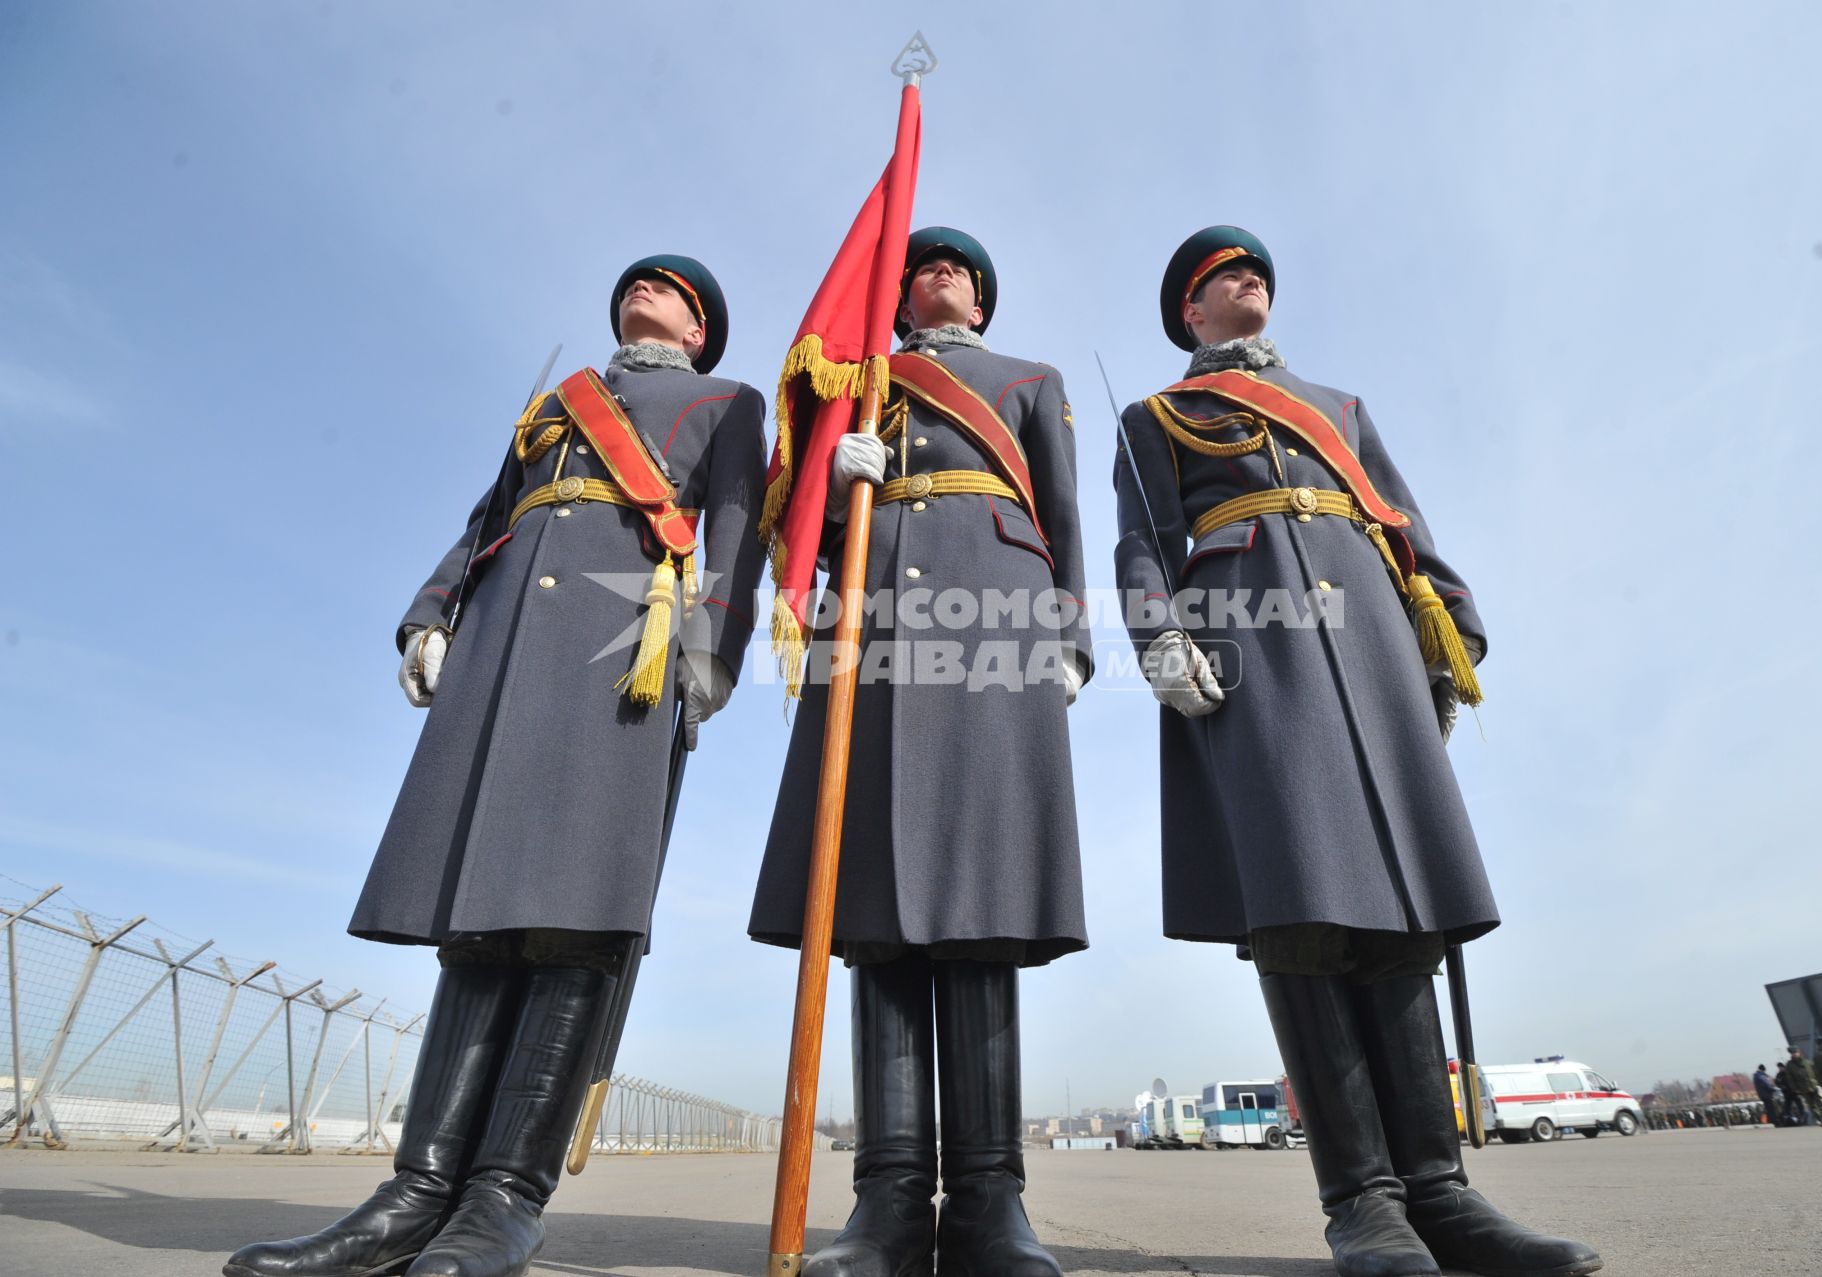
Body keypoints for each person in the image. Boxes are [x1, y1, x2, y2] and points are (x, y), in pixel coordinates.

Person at [224, 255, 768, 1277]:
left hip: (622, 650)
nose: (645, 287)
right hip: (505, 648)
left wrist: (714, 648)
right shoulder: (560, 402)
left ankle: (505, 1197)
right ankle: (417, 1189)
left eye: (673, 288)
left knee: (574, 915)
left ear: (699, 329)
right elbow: (487, 515)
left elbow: (736, 527)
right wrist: (432, 611)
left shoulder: (728, 403)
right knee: (480, 919)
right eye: (638, 280)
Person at [1113, 226, 1600, 1277]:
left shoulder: (1341, 409)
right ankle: (1363, 1203)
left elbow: (1401, 518)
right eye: (1222, 276)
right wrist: (1158, 635)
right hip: (1251, 628)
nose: (1250, 278)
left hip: (1370, 632)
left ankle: (1442, 1193)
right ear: (1190, 314)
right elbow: (1142, 542)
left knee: (1402, 905)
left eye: (1257, 272)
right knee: (1298, 904)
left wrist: (1449, 624)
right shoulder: (1156, 415)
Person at [752, 227, 1091, 1277]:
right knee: (870, 898)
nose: (940, 276)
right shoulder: (859, 382)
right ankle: (889, 1198)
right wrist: (830, 458)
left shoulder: (1032, 380)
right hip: (877, 612)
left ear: (981, 305)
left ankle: (991, 1200)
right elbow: (798, 503)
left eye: (960, 272)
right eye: (923, 268)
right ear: (896, 302)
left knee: (981, 897)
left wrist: (1071, 636)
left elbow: (1066, 513)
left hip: (994, 613)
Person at [1781, 1047, 1822, 1127]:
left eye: (1796, 1052)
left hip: (1814, 1085)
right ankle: (1820, 1119)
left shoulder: (1807, 1062)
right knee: (1812, 1105)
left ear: (1799, 1052)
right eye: (1793, 1053)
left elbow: (1816, 1073)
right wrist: (1795, 1089)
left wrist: (1821, 1083)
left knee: (1821, 1102)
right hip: (1803, 1088)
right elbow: (1790, 1078)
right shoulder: (1789, 1065)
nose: (1794, 1054)